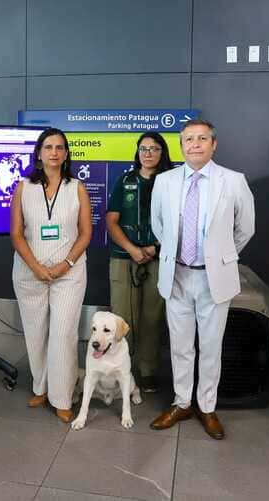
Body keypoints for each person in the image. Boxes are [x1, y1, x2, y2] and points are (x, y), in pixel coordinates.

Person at [149, 119, 255, 439]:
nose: (194, 144)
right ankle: (182, 403)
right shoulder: (165, 181)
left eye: (202, 138)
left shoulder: (233, 181)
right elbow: (158, 225)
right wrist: (175, 254)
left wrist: (219, 257)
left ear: (213, 144)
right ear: (181, 145)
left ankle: (207, 407)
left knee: (210, 347)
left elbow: (245, 229)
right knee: (180, 346)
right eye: (188, 139)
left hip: (213, 279)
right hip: (177, 275)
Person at [11, 128, 92, 423]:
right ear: (39, 153)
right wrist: (35, 266)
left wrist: (65, 264)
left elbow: (86, 233)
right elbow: (16, 234)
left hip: (68, 273)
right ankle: (41, 387)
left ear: (66, 153)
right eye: (48, 147)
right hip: (29, 271)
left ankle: (62, 397)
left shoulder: (77, 188)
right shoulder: (24, 187)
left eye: (59, 147)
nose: (54, 153)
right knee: (35, 333)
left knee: (63, 334)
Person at [105, 132, 173, 393]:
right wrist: (132, 249)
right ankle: (118, 369)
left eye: (154, 149)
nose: (148, 153)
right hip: (124, 258)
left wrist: (155, 248)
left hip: (158, 258)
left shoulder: (171, 182)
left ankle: (147, 371)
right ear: (137, 152)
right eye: (143, 149)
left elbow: (178, 223)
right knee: (121, 316)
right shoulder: (126, 180)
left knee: (152, 317)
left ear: (162, 152)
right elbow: (111, 221)